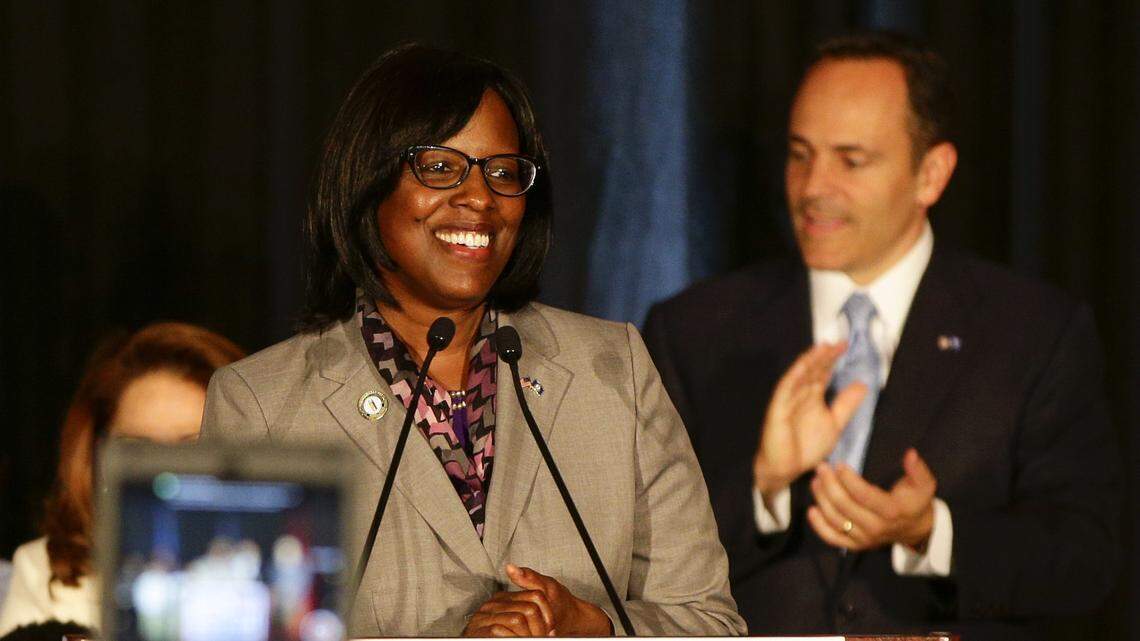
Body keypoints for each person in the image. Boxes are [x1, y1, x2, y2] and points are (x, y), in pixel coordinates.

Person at [200, 43, 744, 638]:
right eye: (440, 167)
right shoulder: (262, 405)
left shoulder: (613, 369)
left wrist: (597, 630)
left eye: (503, 172)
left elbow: (711, 623)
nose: (480, 198)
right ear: (369, 182)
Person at [644, 31, 1119, 640]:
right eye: (799, 154)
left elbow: (1086, 560)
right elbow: (637, 559)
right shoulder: (694, 329)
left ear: (932, 174)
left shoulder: (1035, 334)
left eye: (851, 160)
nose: (814, 187)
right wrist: (763, 489)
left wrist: (929, 532)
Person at [0, 323, 245, 637]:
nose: (166, 473)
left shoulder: (260, 573)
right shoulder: (46, 573)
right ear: (97, 459)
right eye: (139, 452)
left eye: (192, 448)